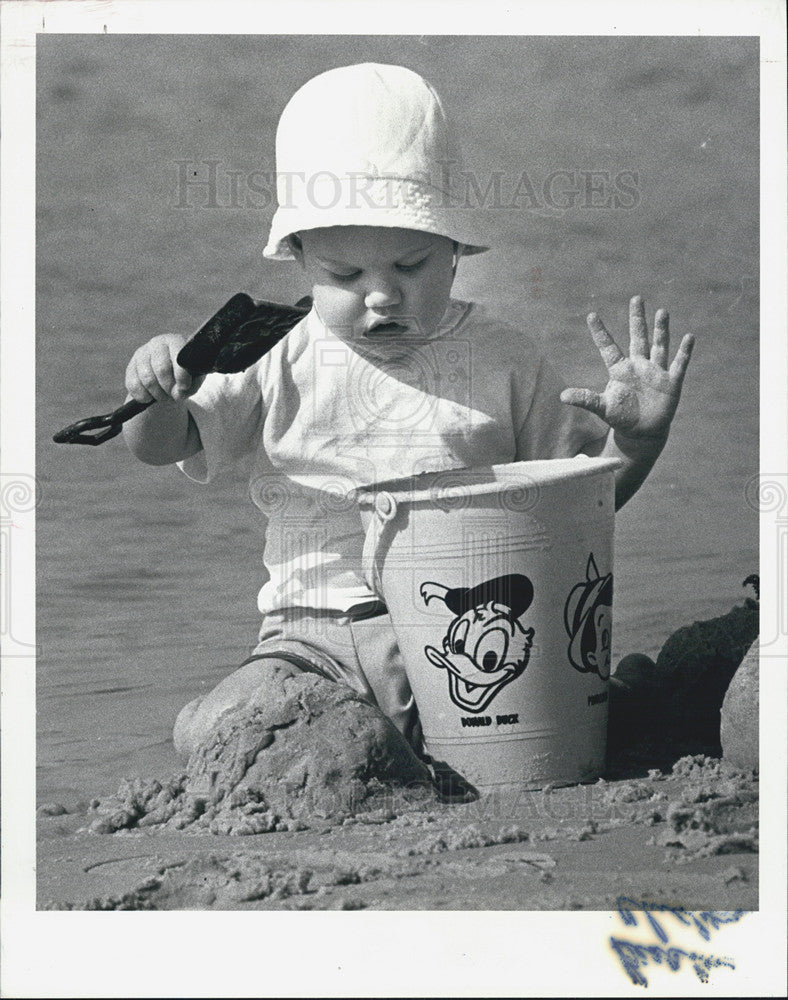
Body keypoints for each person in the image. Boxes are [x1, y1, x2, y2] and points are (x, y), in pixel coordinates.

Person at [122, 63, 694, 759]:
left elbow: (578, 505)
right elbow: (160, 443)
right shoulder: (273, 350)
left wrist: (636, 443)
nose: (382, 295)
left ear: (454, 251)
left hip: (469, 631)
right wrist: (153, 394)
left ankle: (624, 690)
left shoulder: (504, 358)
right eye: (346, 275)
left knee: (570, 740)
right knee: (231, 729)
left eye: (411, 265)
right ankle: (209, 720)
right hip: (310, 638)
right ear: (299, 255)